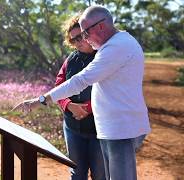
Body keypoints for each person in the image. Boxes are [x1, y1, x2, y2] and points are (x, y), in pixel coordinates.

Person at [13, 5, 151, 180]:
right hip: (111, 128)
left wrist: (41, 100)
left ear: (100, 26)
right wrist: (68, 105)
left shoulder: (116, 48)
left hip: (121, 129)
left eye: (85, 33)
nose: (83, 39)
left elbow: (81, 80)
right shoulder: (112, 45)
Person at [55, 14, 105, 180]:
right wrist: (69, 105)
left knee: (101, 174)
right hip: (72, 128)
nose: (77, 42)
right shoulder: (71, 59)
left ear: (89, 32)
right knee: (77, 173)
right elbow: (59, 86)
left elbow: (111, 90)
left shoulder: (105, 56)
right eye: (73, 40)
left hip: (100, 129)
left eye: (80, 36)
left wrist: (88, 108)